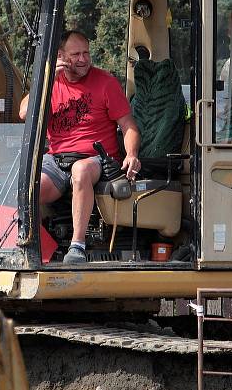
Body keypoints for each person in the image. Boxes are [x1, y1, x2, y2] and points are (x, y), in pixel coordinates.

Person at [19, 30, 142, 264]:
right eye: (76, 54)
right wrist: (45, 80)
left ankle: (77, 247)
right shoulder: (50, 84)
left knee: (80, 171)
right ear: (61, 56)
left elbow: (128, 125)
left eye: (86, 53)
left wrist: (132, 154)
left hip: (95, 158)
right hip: (57, 158)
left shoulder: (106, 82)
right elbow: (24, 113)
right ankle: (36, 248)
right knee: (28, 185)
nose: (83, 59)